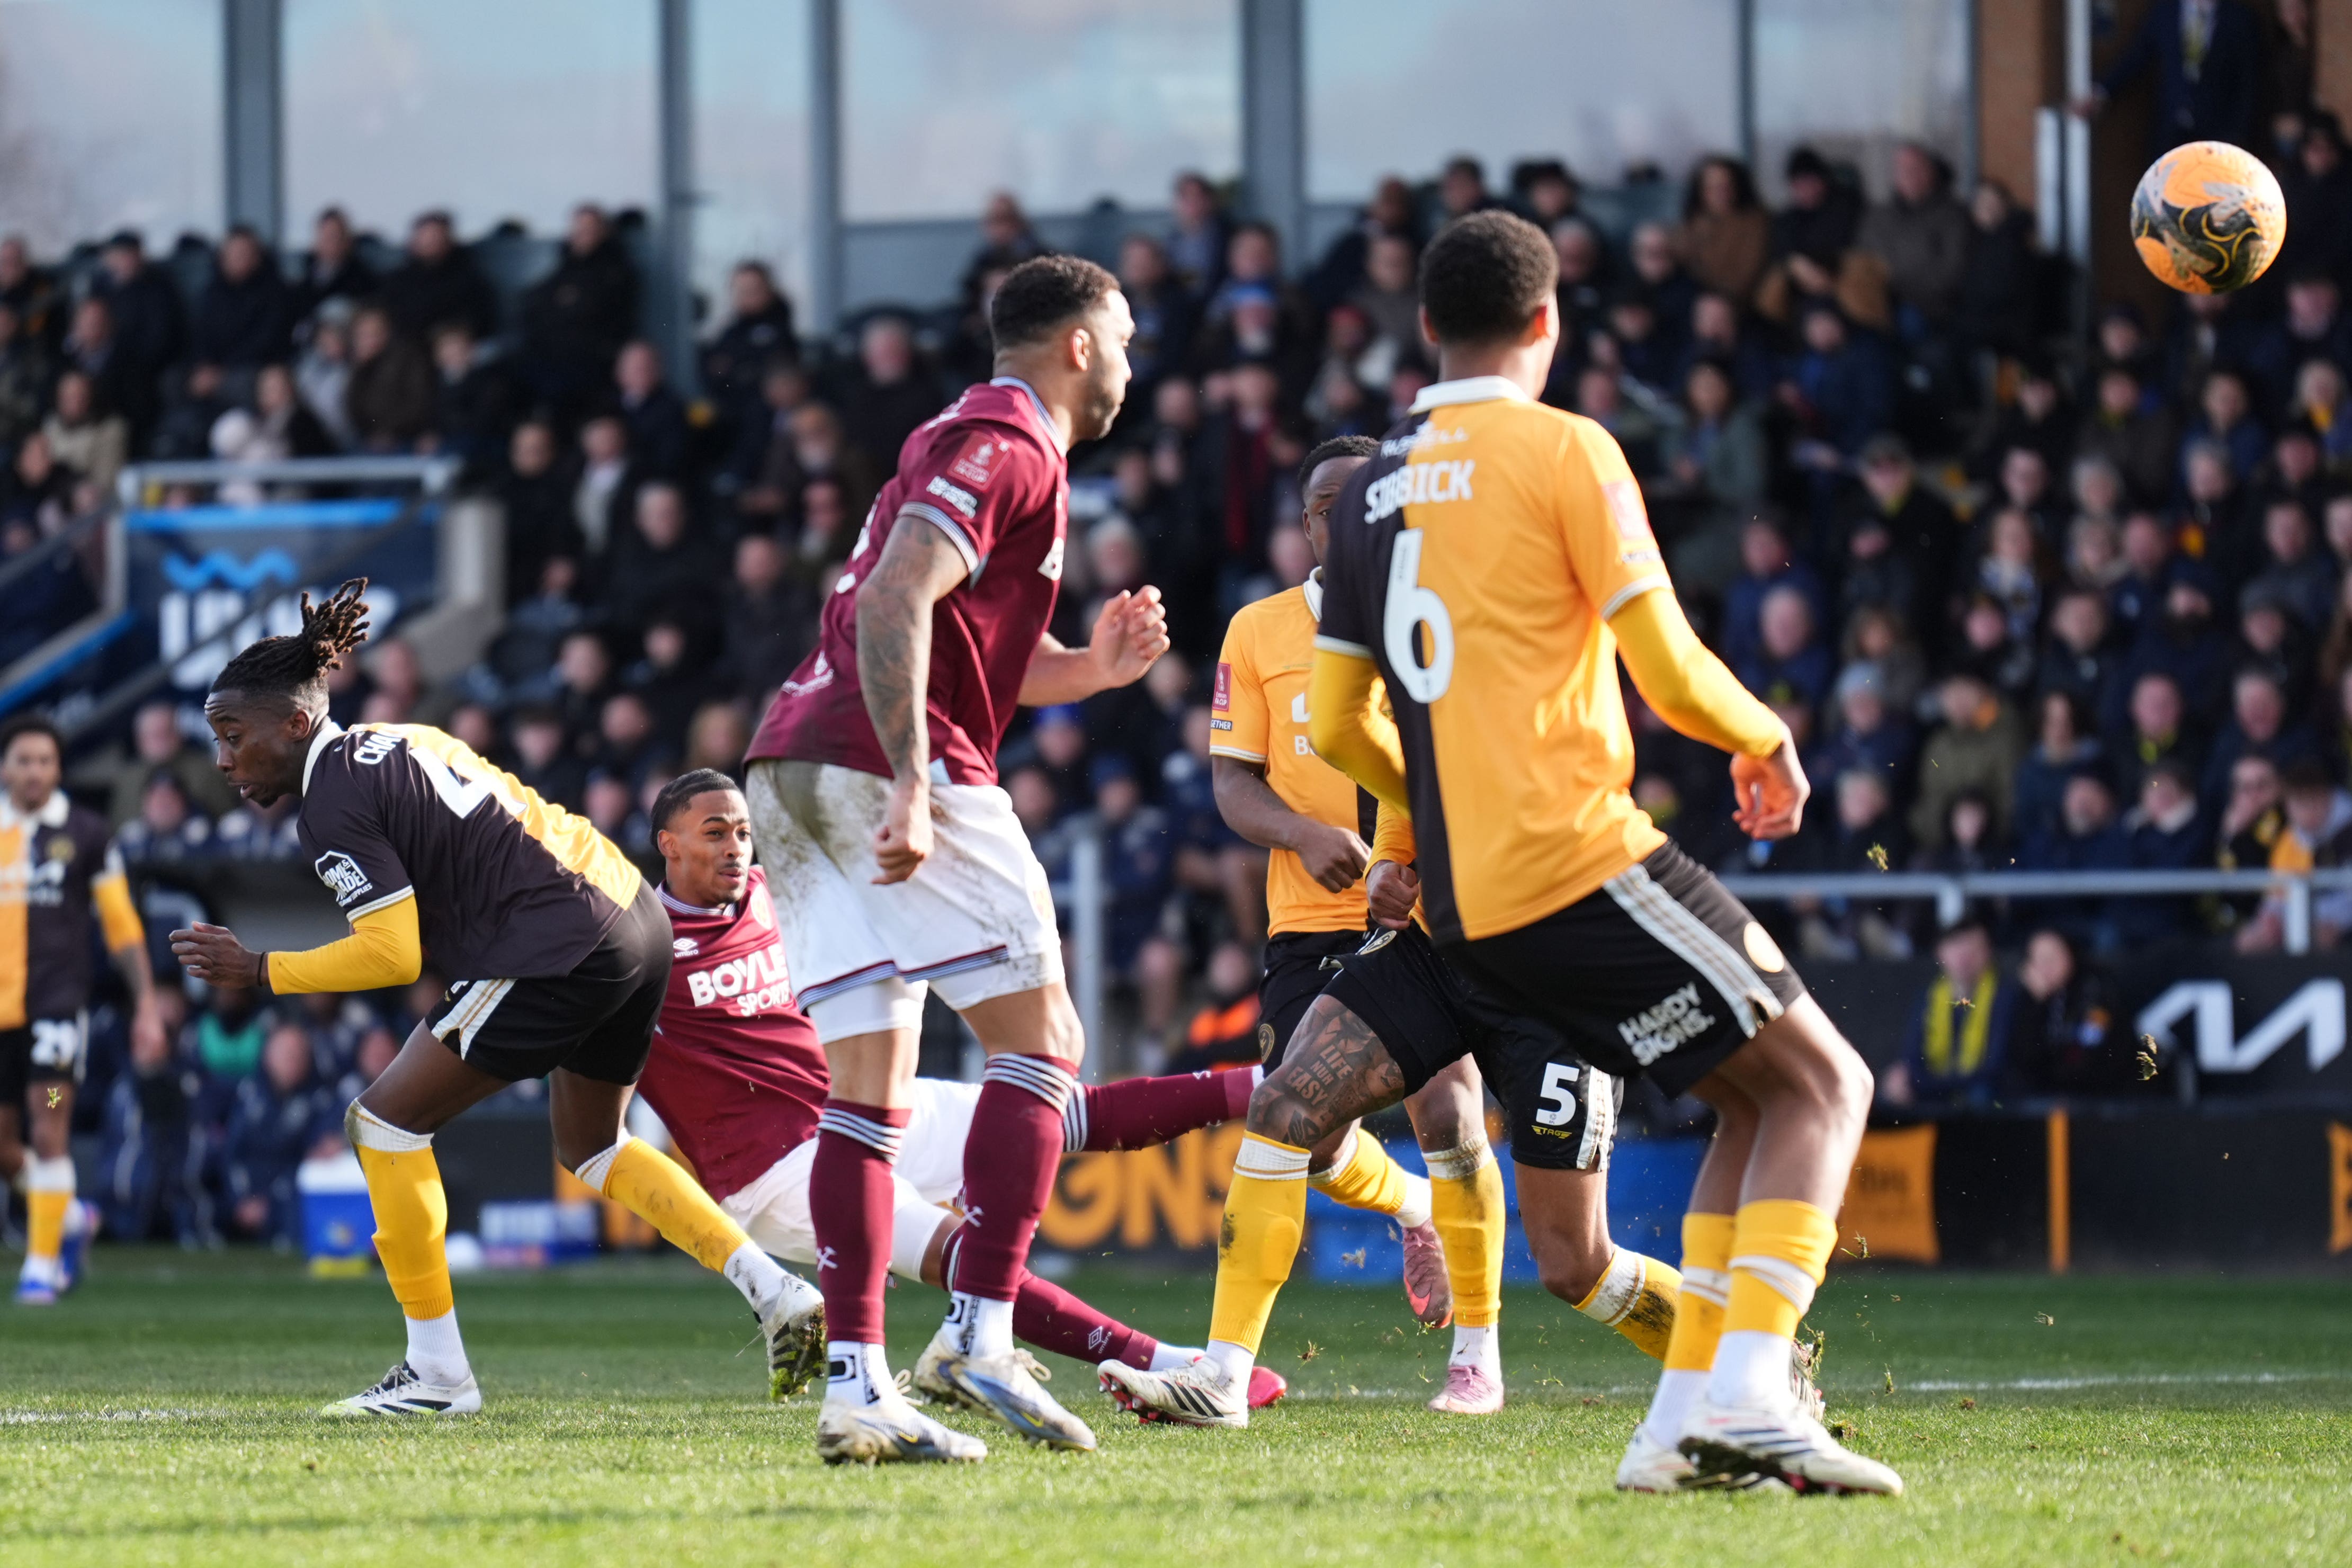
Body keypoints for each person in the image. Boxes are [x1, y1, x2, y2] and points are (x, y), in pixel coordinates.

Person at [1142, 212, 1891, 1493]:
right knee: (1827, 1087)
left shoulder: (1370, 495)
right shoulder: (1565, 449)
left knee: (1745, 1097)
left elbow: (1332, 722)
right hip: (1576, 855)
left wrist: (1427, 801)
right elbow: (1660, 663)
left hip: (1460, 900)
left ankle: (1678, 1426)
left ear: (1424, 328)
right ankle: (1757, 1396)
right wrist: (1764, 738)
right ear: (1546, 324)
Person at [166, 582, 816, 1414]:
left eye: (232, 737)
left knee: (382, 1122)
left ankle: (438, 1375)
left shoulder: (330, 800)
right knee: (592, 1145)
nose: (223, 761)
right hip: (634, 915)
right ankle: (775, 1291)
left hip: (558, 941)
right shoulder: (397, 738)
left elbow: (393, 956)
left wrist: (260, 971)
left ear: (295, 725)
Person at [739, 255, 1169, 1462]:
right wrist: (916, 784)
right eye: (1124, 338)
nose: (1132, 364)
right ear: (1078, 343)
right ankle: (978, 1331)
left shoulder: (976, 444)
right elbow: (893, 601)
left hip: (790, 765)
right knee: (1043, 1046)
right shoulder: (1007, 439)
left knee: (865, 1099)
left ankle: (858, 1389)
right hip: (880, 763)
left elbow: (949, 634)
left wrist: (1088, 668)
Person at [630, 773, 1287, 1433]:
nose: (735, 848)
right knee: (965, 1256)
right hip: (774, 1171)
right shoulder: (642, 949)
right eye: (714, 834)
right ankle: (1169, 1364)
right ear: (669, 845)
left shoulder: (782, 894)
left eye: (744, 832)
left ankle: (1271, 1084)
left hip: (856, 1109)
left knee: (1059, 1110)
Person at [1206, 435, 1519, 1411]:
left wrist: (1404, 861)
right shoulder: (1256, 632)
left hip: (1428, 914)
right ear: (1303, 527)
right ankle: (1412, 1204)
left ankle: (1477, 1352)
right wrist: (1302, 832)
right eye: (1323, 507)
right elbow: (1231, 783)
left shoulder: (1437, 620)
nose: (1342, 521)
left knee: (1451, 1108)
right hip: (1309, 921)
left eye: (1363, 501)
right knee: (1300, 1123)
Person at [1, 716, 165, 1304]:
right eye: (23, 760)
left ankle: (42, 1267)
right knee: (5, 1146)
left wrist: (146, 1002)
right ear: (5, 768)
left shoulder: (87, 833)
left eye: (45, 761)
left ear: (59, 769)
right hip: (2, 1019)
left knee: (49, 1122)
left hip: (55, 1011)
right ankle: (68, 1216)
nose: (35, 772)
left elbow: (121, 928)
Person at [1882, 916, 2015, 1109]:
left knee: (1982, 1096)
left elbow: (1994, 1069)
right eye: (1956, 948)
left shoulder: (2004, 997)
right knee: (1895, 1087)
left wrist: (1933, 1085)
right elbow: (1911, 1057)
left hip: (1980, 1092)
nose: (1964, 958)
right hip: (1936, 1088)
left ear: (1988, 953)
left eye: (1973, 950)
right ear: (1940, 952)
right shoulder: (1929, 996)